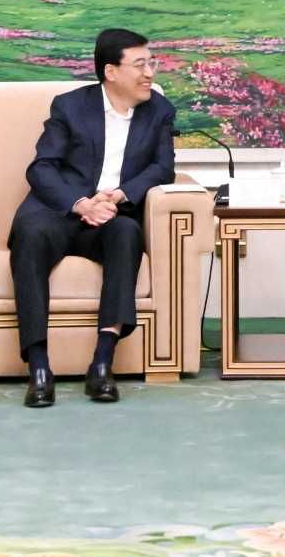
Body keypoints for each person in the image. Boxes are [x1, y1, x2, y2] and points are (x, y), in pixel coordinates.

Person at [9, 28, 176, 409]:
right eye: (140, 65)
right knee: (30, 233)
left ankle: (102, 362)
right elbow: (41, 168)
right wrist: (82, 204)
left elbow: (162, 168)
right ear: (111, 72)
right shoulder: (70, 107)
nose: (150, 73)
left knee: (127, 233)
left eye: (151, 63)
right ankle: (39, 368)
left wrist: (119, 195)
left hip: (112, 214)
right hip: (61, 211)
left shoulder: (160, 111)